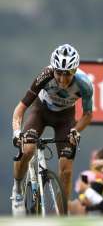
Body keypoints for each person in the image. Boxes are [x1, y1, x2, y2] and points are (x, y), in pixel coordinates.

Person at [11, 44, 93, 216]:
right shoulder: (45, 75)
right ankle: (17, 190)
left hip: (65, 118)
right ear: (53, 69)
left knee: (67, 169)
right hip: (40, 112)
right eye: (59, 73)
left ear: (75, 70)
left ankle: (63, 217)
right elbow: (21, 108)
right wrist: (17, 132)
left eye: (68, 74)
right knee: (28, 149)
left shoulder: (84, 84)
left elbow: (87, 115)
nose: (63, 79)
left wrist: (76, 130)